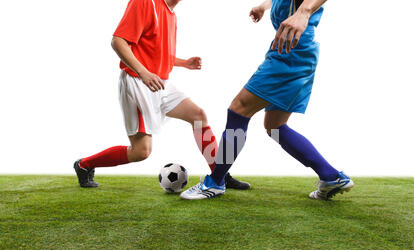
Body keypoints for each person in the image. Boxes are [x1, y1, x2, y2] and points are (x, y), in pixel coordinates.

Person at [181, 0, 353, 200]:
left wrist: (304, 11)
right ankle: (330, 176)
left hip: (291, 52)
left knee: (239, 110)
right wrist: (263, 6)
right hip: (298, 51)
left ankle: (216, 181)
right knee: (275, 126)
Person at [74, 0, 250, 191]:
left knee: (198, 116)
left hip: (159, 82)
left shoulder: (171, 14)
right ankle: (84, 164)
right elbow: (118, 41)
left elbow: (156, 52)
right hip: (137, 82)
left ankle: (219, 176)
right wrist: (143, 72)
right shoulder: (145, 3)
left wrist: (184, 63)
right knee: (141, 152)